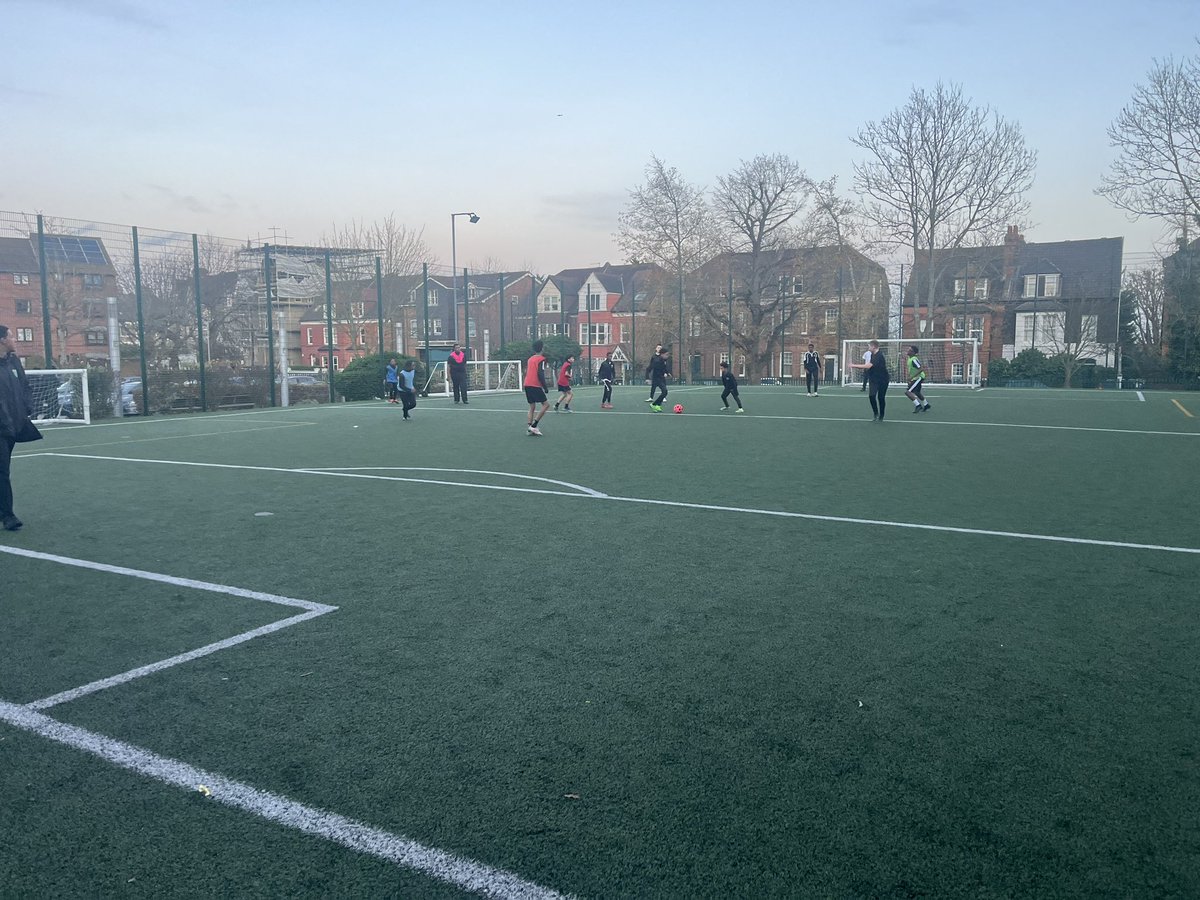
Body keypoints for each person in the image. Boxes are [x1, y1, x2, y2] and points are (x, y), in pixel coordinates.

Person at [0, 324, 38, 531]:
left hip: (13, 426)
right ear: (3, 341)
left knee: (2, 471)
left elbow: (24, 386)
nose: (15, 340)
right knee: (2, 472)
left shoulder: (13, 362)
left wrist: (27, 407)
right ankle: (8, 516)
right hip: (1, 427)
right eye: (12, 336)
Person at [851, 339, 890, 421]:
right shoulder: (872, 355)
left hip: (883, 379)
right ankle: (876, 413)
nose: (868, 348)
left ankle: (881, 415)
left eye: (869, 346)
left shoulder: (879, 355)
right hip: (873, 379)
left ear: (873, 347)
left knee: (881, 397)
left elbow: (868, 365)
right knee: (871, 396)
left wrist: (854, 365)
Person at [524, 340, 551, 435]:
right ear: (542, 348)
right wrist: (545, 387)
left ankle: (529, 428)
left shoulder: (530, 359)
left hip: (527, 384)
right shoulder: (541, 359)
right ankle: (534, 426)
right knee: (546, 405)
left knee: (532, 407)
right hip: (535, 384)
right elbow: (540, 373)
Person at [904, 345, 932, 413]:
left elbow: (921, 369)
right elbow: (911, 369)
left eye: (910, 350)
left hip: (919, 377)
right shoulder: (909, 359)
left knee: (908, 392)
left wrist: (912, 377)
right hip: (915, 378)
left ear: (913, 352)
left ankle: (918, 405)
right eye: (908, 349)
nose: (908, 351)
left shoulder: (914, 359)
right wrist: (910, 378)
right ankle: (926, 404)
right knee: (917, 392)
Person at [646, 346, 670, 412]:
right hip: (657, 379)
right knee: (664, 391)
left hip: (661, 378)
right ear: (662, 354)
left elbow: (664, 368)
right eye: (666, 354)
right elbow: (648, 369)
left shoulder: (663, 360)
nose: (667, 356)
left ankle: (657, 405)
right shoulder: (656, 361)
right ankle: (654, 404)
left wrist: (667, 373)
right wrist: (647, 378)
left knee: (665, 392)